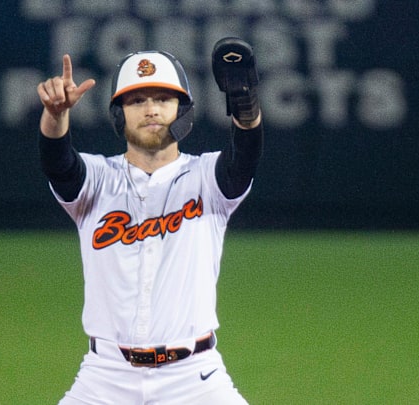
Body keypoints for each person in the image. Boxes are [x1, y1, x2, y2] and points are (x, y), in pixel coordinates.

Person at [37, 37, 263, 405]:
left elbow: (245, 157)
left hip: (195, 379)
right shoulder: (96, 179)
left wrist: (246, 108)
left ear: (182, 109)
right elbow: (59, 163)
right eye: (137, 100)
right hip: (105, 377)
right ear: (119, 113)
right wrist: (55, 117)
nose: (151, 109)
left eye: (163, 98)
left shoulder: (208, 178)